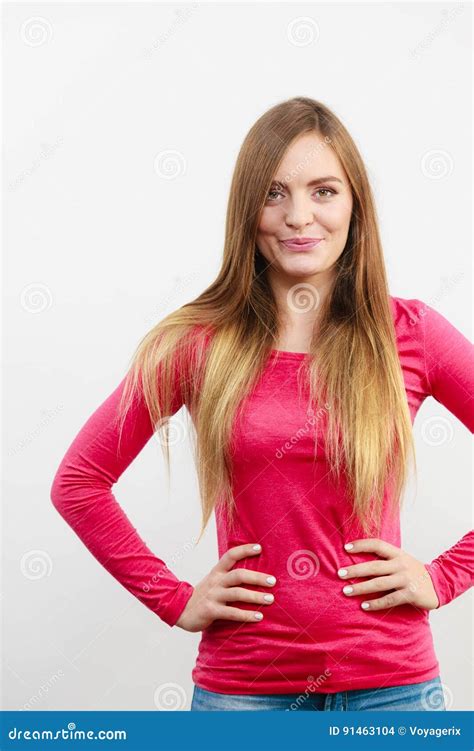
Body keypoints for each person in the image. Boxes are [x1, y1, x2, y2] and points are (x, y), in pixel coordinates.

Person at [50, 97, 473, 712]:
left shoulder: (411, 333)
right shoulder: (196, 344)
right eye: (274, 193)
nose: (299, 217)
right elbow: (79, 483)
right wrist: (172, 598)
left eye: (323, 191)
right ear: (247, 209)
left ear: (355, 206)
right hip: (244, 693)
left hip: (394, 689)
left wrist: (444, 575)